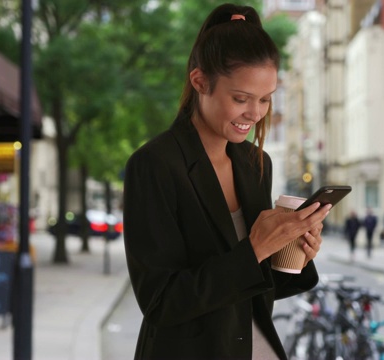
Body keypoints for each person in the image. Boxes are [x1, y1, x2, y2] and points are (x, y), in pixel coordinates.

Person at [122, 4, 329, 359]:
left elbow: (253, 286)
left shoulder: (254, 163)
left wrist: (294, 254)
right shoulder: (154, 165)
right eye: (240, 98)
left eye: (265, 99)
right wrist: (255, 249)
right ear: (200, 81)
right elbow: (160, 302)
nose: (255, 113)